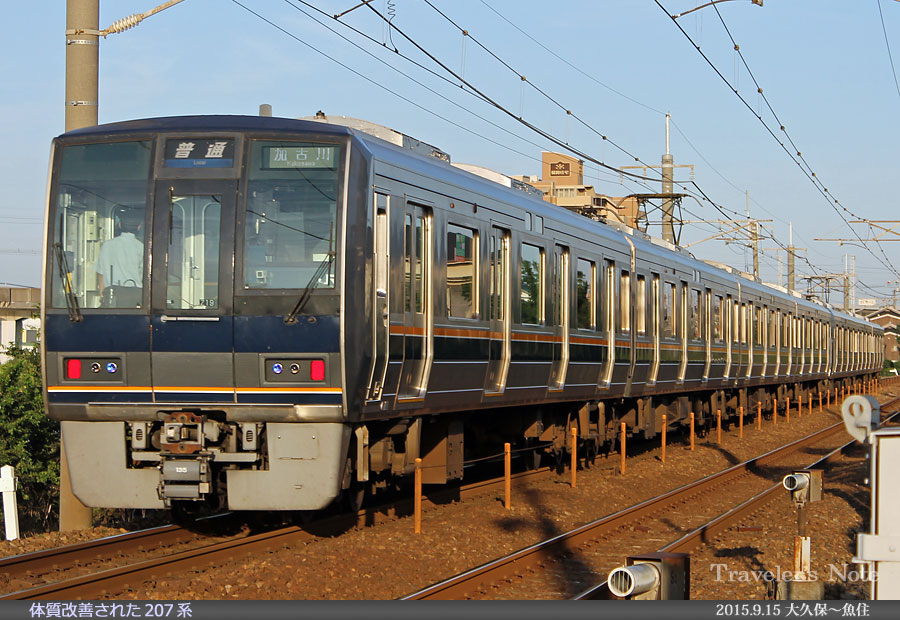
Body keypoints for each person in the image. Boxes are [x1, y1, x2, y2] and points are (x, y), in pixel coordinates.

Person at [95, 210, 143, 304]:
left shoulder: (107, 245)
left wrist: (102, 296)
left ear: (120, 225)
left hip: (112, 294)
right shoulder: (141, 247)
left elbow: (101, 274)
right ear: (139, 227)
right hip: (135, 295)